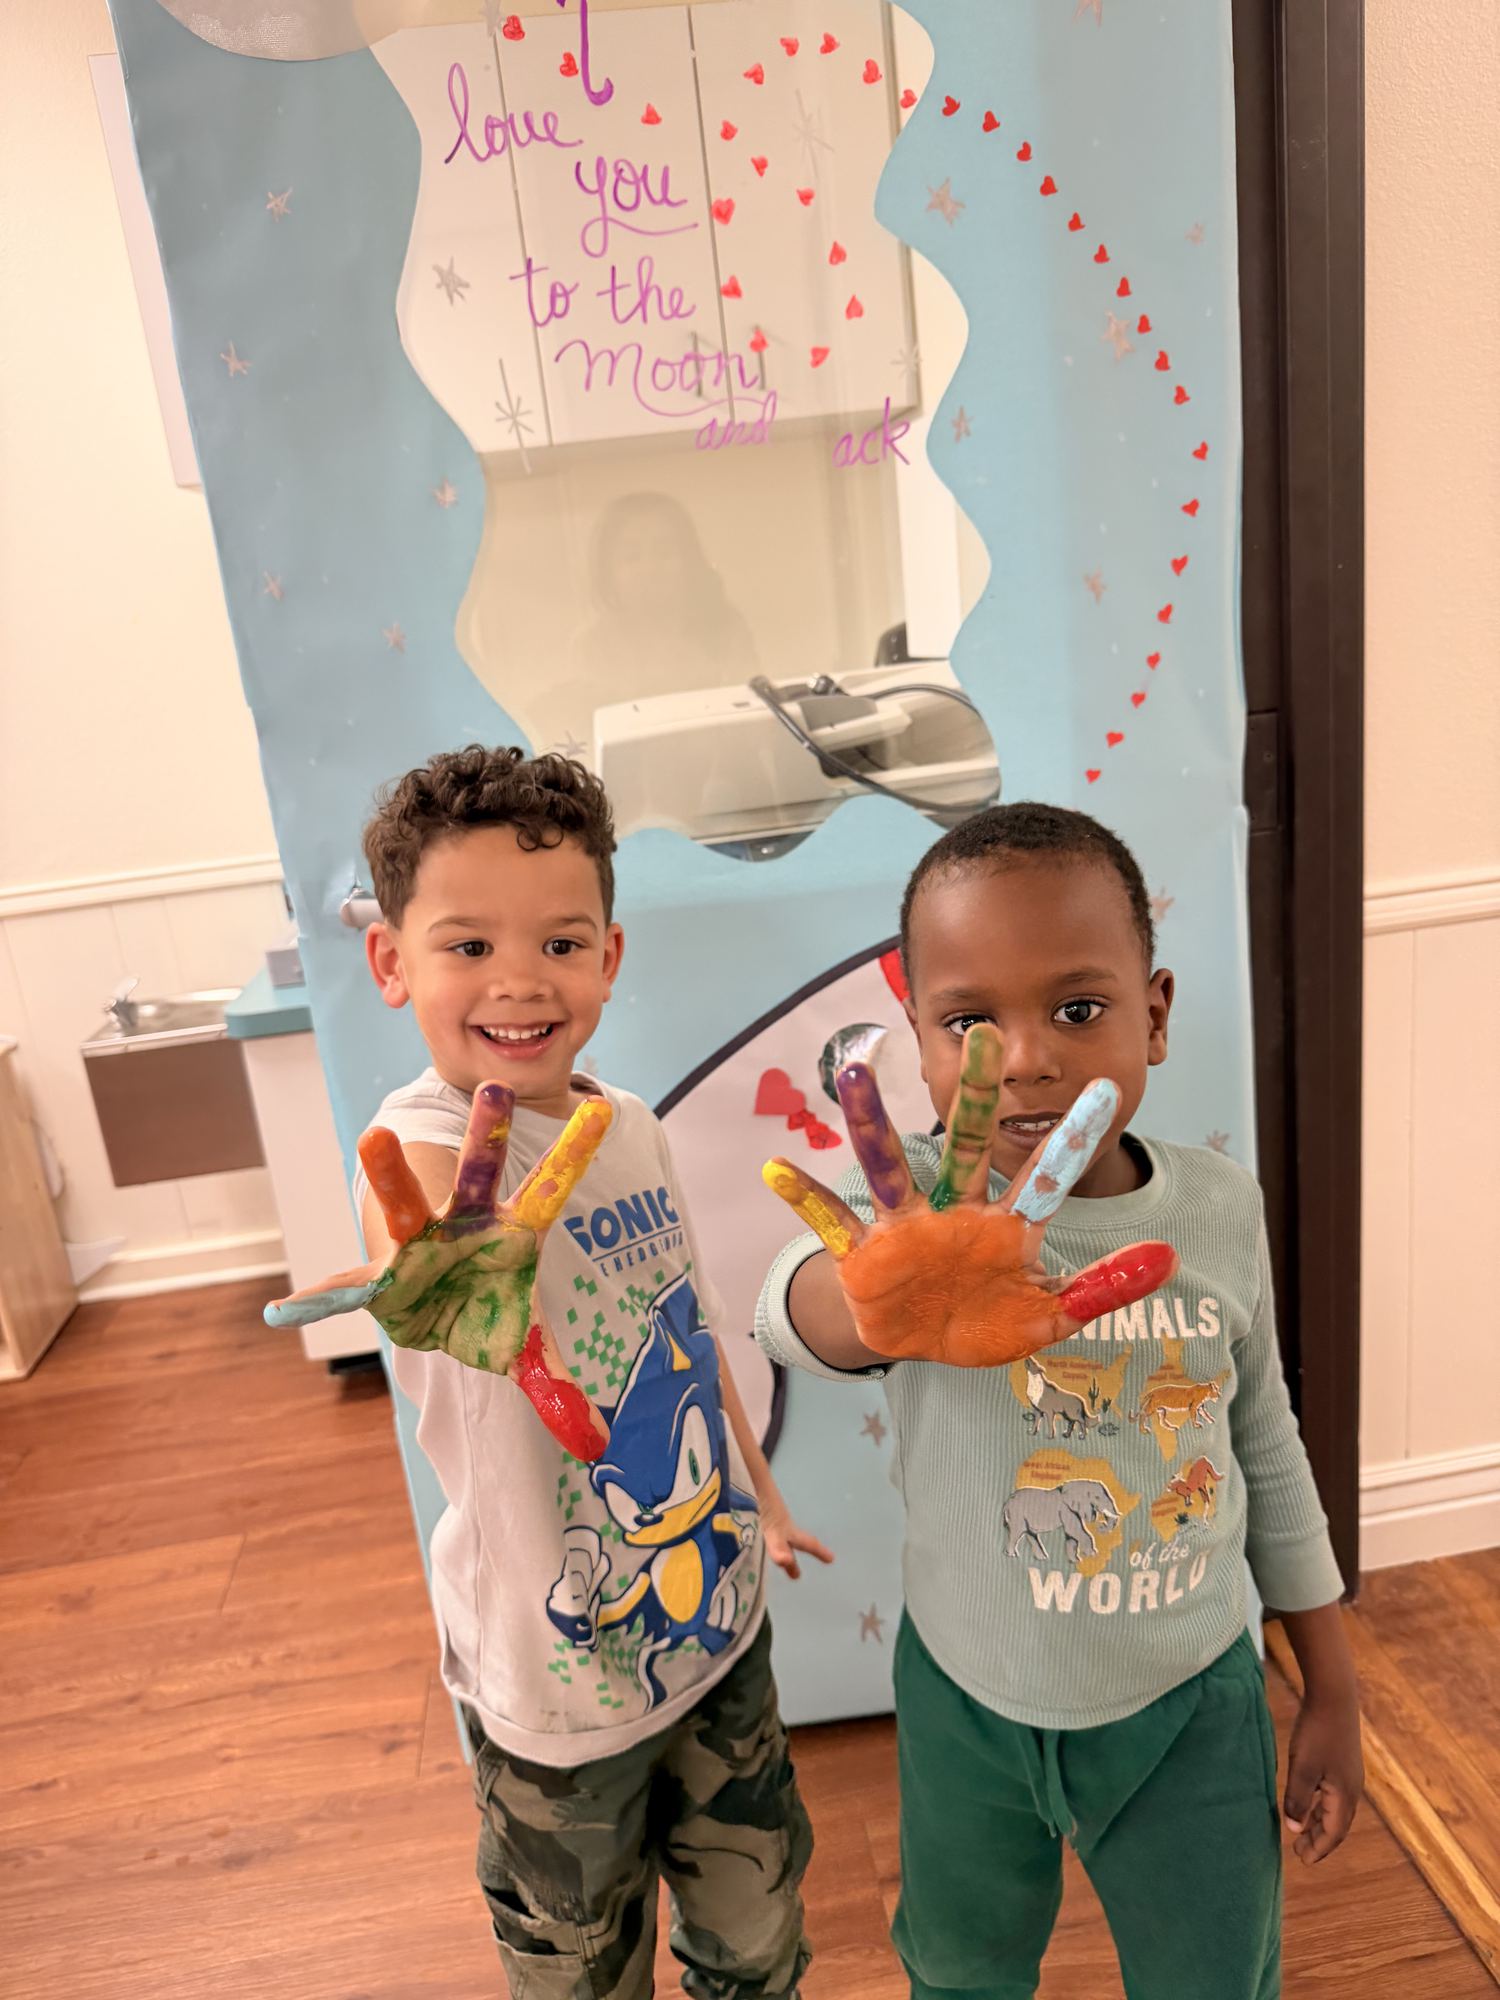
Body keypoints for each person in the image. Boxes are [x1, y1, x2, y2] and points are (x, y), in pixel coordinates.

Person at [753, 802, 1362, 2000]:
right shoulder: (914, 1214)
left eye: (1077, 1009)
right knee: (962, 1971)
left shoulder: (1217, 1211)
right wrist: (873, 1307)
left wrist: (1331, 1681)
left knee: (1214, 1976)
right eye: (970, 1020)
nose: (1025, 1055)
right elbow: (792, 1310)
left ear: (1158, 1012)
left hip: (1188, 1701)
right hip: (965, 1702)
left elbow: (1266, 1442)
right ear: (921, 1045)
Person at [268, 745, 828, 2000]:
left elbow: (682, 1329)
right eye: (467, 945)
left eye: (562, 943)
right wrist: (432, 1278)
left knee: (759, 1939)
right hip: (554, 1698)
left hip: (716, 1633)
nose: (520, 979)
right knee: (579, 1974)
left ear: (611, 958)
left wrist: (759, 1492)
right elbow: (407, 1259)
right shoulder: (416, 1153)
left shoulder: (625, 1126)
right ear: (391, 960)